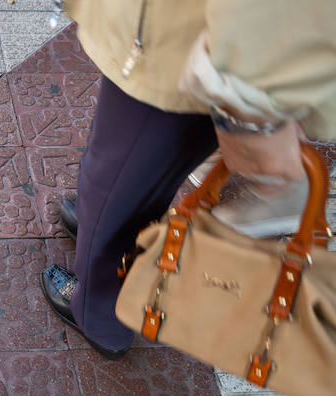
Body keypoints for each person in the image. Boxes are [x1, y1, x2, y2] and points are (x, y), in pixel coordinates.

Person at [41, 0, 336, 359]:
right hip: (218, 45)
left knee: (112, 180)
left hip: (188, 43)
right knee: (148, 172)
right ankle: (99, 233)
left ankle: (97, 313)